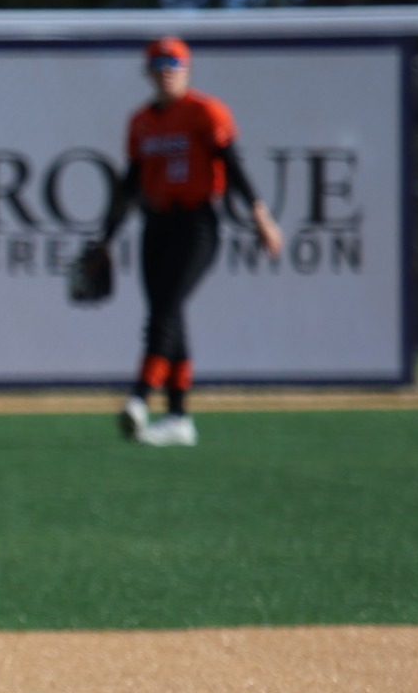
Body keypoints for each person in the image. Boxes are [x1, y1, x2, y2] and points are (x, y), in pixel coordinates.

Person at [96, 36, 283, 446]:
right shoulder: (141, 121)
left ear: (187, 68)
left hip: (197, 223)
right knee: (168, 313)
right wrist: (106, 237)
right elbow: (130, 183)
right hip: (156, 223)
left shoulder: (204, 111)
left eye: (175, 62)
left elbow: (232, 167)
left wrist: (260, 215)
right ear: (147, 71)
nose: (167, 68)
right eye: (159, 62)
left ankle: (140, 397)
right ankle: (179, 418)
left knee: (166, 308)